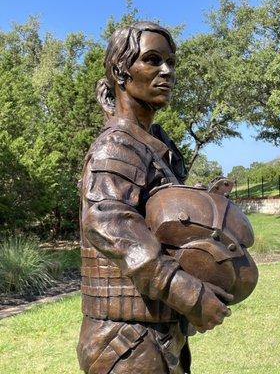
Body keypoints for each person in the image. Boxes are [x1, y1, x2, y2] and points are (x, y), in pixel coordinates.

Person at [77, 22, 232, 374]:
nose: (167, 71)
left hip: (155, 339)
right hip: (127, 342)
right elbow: (108, 224)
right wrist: (187, 293)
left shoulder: (153, 147)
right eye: (153, 60)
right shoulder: (117, 145)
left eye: (171, 62)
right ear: (120, 71)